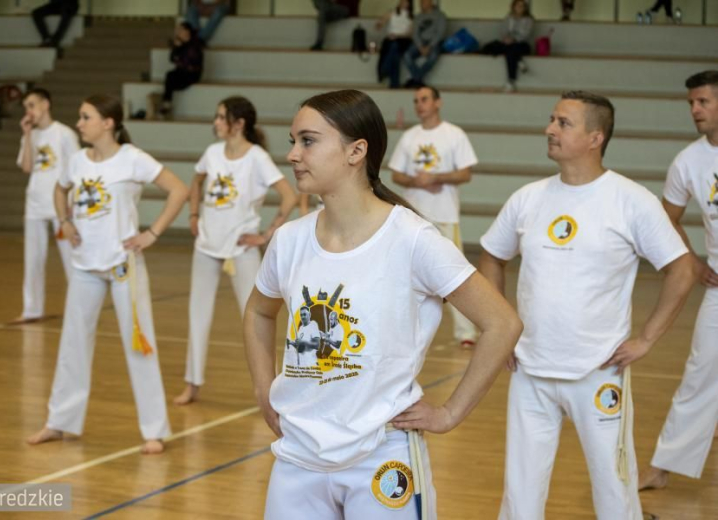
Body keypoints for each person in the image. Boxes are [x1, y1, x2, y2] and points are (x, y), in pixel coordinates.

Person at [244, 89, 523, 519]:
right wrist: (264, 390)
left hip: (382, 456)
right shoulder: (289, 240)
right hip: (298, 455)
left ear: (356, 151)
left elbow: (502, 324)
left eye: (308, 141)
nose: (293, 154)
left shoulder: (413, 239)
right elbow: (259, 311)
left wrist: (449, 413)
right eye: (293, 141)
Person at [480, 91, 695, 520]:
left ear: (596, 138)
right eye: (552, 120)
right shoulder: (527, 198)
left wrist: (646, 339)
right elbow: (491, 257)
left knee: (614, 487)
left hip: (599, 372)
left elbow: (682, 269)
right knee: (520, 492)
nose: (550, 129)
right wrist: (500, 329)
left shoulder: (631, 200)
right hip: (530, 371)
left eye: (563, 123)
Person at [27, 95, 189, 455]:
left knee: (139, 344)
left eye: (86, 117)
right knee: (72, 344)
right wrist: (65, 221)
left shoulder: (132, 158)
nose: (79, 123)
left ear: (108, 123)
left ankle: (154, 430)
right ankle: (59, 422)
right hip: (84, 266)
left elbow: (179, 190)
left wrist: (152, 233)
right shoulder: (77, 161)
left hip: (123, 266)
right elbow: (59, 189)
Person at [175, 96, 297, 405]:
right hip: (207, 244)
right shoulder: (212, 153)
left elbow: (289, 196)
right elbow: (195, 182)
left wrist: (266, 234)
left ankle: (269, 388)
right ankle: (192, 384)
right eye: (216, 117)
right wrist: (193, 215)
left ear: (239, 123)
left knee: (255, 318)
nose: (216, 122)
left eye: (221, 117)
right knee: (197, 314)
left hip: (242, 248)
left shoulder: (257, 157)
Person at [638, 70, 718, 491]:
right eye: (691, 103)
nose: (695, 110)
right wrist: (693, 262)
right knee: (700, 372)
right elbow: (668, 219)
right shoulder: (688, 161)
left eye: (703, 102)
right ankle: (663, 466)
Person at [389, 85, 479, 347]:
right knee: (406, 274)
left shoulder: (454, 134)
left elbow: (465, 173)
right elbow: (396, 174)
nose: (420, 105)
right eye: (416, 101)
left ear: (438, 103)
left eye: (425, 99)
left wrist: (436, 177)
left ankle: (466, 332)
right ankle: (403, 331)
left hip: (445, 214)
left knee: (455, 272)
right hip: (414, 216)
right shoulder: (409, 137)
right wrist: (416, 182)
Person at [11, 88, 79, 325]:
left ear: (45, 104)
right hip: (35, 204)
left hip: (60, 207)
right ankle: (31, 309)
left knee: (70, 258)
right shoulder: (30, 135)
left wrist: (71, 203)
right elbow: (27, 167)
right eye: (26, 107)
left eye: (32, 105)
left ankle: (79, 308)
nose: (29, 111)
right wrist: (27, 135)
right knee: (33, 259)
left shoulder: (64, 134)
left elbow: (77, 170)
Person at [481, 0, 534, 93]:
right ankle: (519, 60)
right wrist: (506, 38)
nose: (520, 8)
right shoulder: (508, 18)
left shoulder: (528, 20)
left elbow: (526, 34)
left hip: (521, 44)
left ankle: (511, 81)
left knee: (511, 51)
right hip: (507, 42)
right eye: (518, 5)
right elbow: (503, 30)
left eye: (522, 6)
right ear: (513, 6)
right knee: (491, 46)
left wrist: (514, 39)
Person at [160, 22, 204, 118]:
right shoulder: (180, 43)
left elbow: (188, 61)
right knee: (170, 76)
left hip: (192, 73)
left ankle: (166, 103)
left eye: (181, 30)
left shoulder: (194, 43)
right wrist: (176, 47)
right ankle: (166, 102)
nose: (178, 32)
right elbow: (172, 59)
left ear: (187, 31)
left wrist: (179, 52)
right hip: (181, 71)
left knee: (171, 78)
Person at [403, 0, 446, 88]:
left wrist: (429, 46)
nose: (421, 4)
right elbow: (415, 34)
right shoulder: (418, 17)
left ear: (430, 2)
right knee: (407, 56)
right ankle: (418, 80)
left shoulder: (440, 16)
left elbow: (440, 33)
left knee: (433, 57)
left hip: (434, 42)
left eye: (423, 2)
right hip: (420, 43)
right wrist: (420, 46)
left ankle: (416, 79)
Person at [376, 0, 413, 89]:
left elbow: (410, 33)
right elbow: (381, 23)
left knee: (395, 46)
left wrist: (397, 36)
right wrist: (380, 24)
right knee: (395, 53)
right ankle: (395, 83)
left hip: (403, 40)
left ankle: (385, 69)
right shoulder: (391, 13)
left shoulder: (411, 17)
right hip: (390, 39)